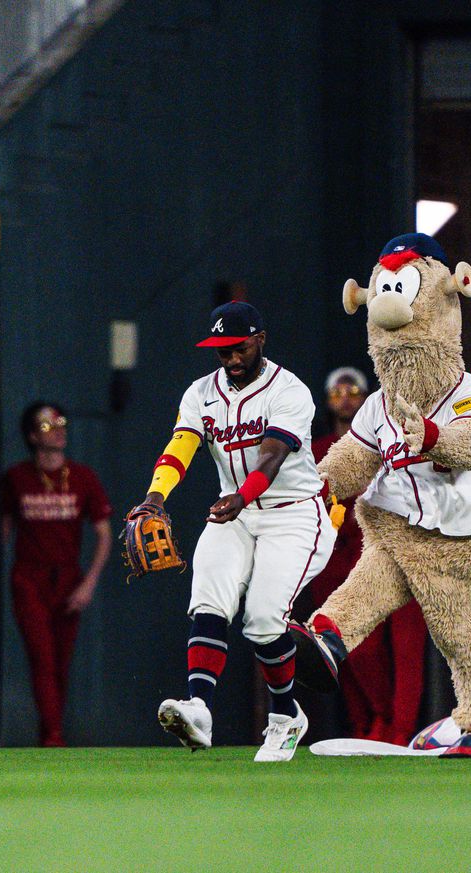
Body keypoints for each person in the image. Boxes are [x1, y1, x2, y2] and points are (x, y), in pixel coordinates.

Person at [132, 301, 334, 762]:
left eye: (238, 347)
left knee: (263, 620)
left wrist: (242, 497)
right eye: (221, 350)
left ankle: (286, 717)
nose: (230, 358)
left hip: (292, 513)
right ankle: (200, 709)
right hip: (234, 512)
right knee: (209, 598)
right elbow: (181, 444)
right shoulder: (200, 392)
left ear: (260, 339)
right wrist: (155, 496)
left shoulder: (290, 391)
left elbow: (272, 456)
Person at [304, 366, 427, 745]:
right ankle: (371, 723)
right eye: (337, 390)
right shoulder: (317, 451)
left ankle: (400, 731)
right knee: (353, 648)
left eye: (353, 389)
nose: (345, 397)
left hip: (398, 549)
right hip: (339, 561)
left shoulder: (393, 441)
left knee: (408, 649)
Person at [1, 402, 113, 747]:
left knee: (61, 662)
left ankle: (50, 733)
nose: (59, 430)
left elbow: (104, 533)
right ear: (33, 436)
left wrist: (89, 582)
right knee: (42, 657)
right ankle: (53, 736)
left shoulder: (82, 477)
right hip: (29, 578)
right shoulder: (17, 478)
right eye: (48, 426)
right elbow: (3, 530)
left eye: (61, 423)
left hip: (68, 579)